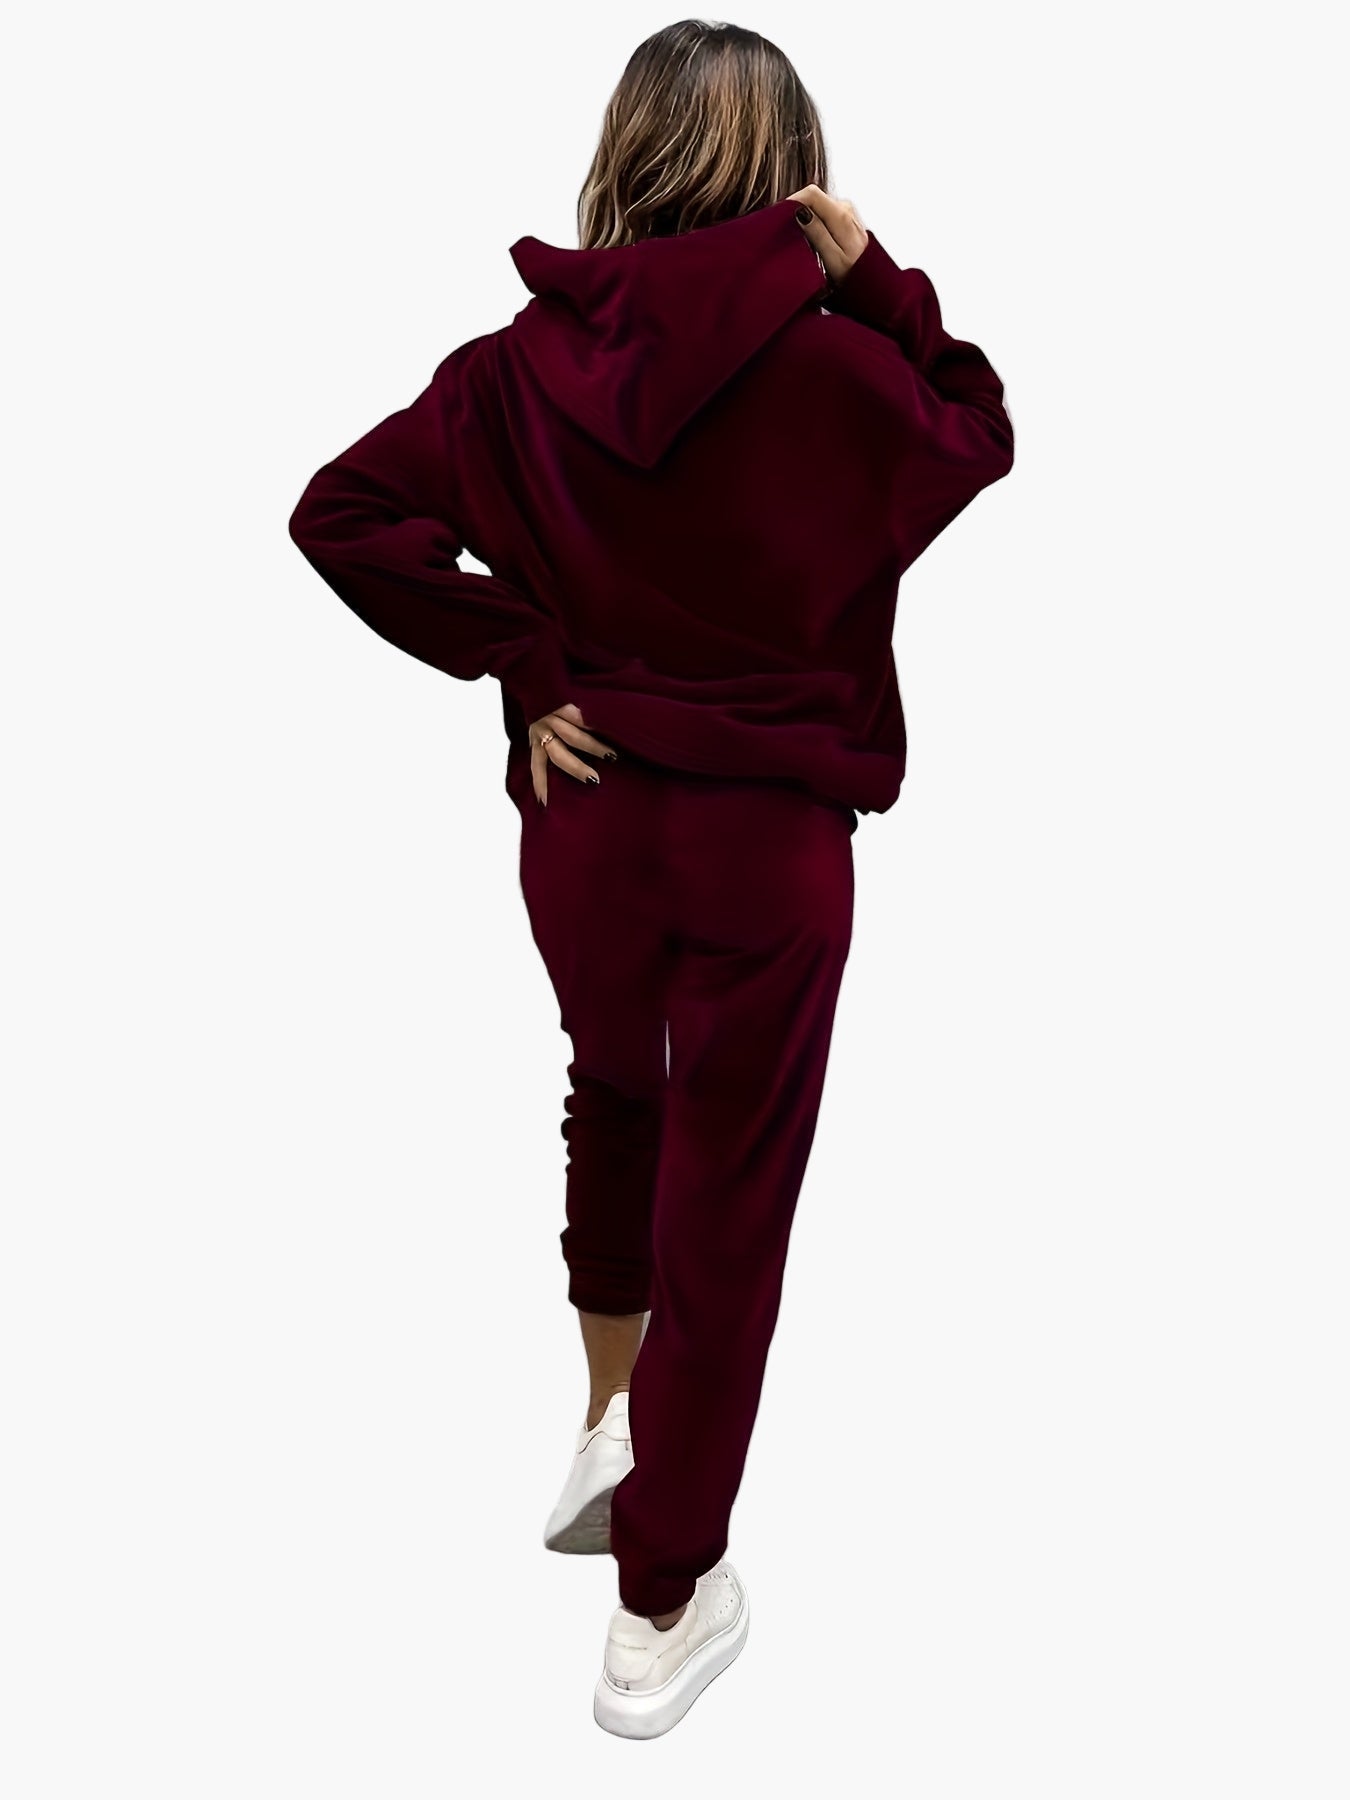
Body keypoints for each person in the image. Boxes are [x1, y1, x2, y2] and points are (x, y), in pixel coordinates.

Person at [287, 18, 1013, 1738]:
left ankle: (608, 1425)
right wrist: (883, 283)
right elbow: (979, 431)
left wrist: (523, 659)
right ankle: (658, 1600)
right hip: (768, 843)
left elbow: (339, 514)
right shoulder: (846, 380)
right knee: (728, 1204)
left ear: (625, 152)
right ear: (791, 172)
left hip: (587, 822)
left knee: (615, 1094)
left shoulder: (506, 376)